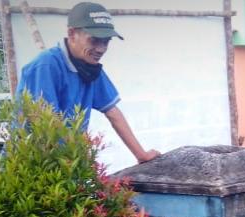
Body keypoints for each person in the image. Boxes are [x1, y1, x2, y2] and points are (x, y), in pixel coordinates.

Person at [16, 2, 160, 164]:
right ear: (72, 34)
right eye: (94, 40)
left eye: (106, 41)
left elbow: (113, 113)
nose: (101, 49)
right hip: (32, 166)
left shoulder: (89, 67)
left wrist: (141, 155)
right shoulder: (46, 66)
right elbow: (47, 124)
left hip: (69, 164)